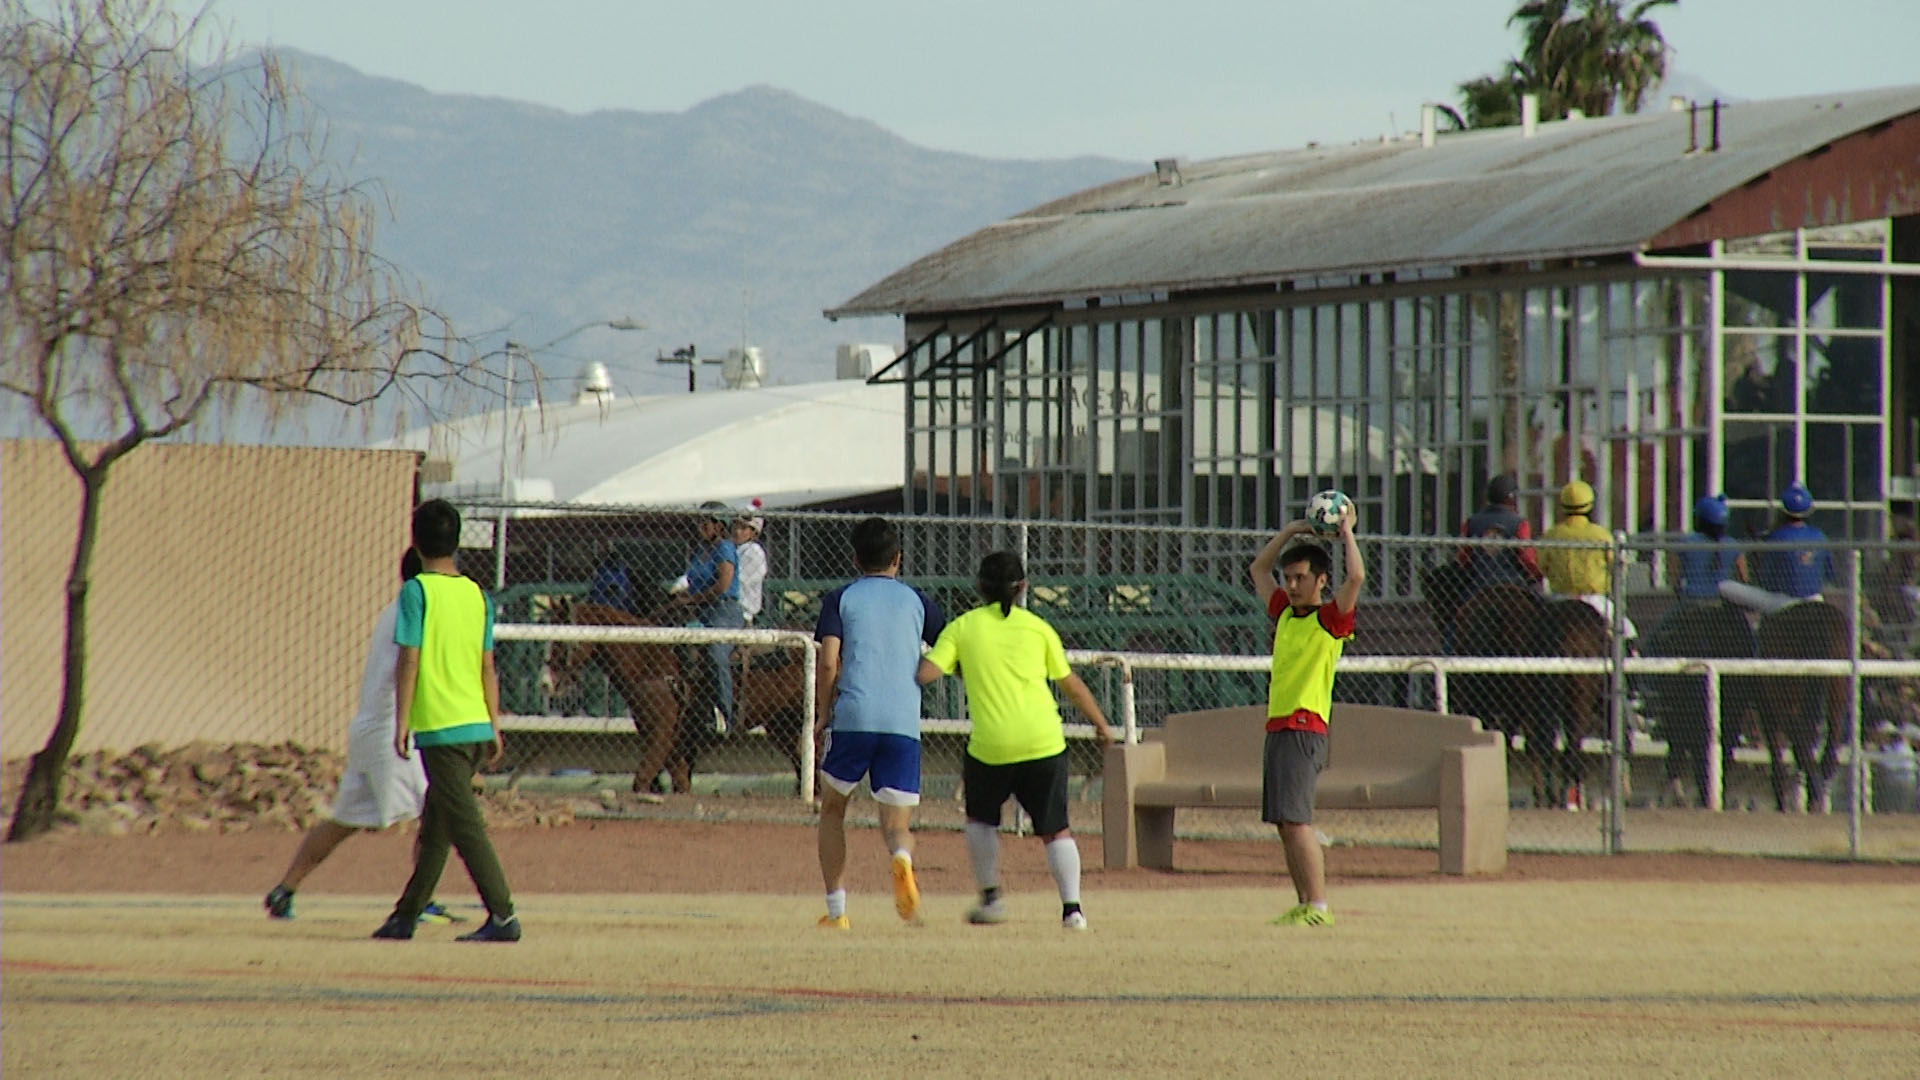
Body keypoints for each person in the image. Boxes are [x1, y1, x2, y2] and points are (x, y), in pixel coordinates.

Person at [916, 552, 1116, 931]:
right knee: (1056, 828)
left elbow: (926, 674)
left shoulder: (962, 628)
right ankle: (1072, 910)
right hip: (1044, 740)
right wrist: (1101, 725)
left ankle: (991, 899)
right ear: (1023, 587)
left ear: (979, 587)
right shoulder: (1038, 628)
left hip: (991, 746)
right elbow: (1069, 683)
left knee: (981, 821)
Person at [264, 550, 457, 926]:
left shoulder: (396, 609)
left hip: (369, 730)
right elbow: (413, 664)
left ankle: (284, 889)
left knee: (345, 820)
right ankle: (422, 900)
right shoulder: (415, 608)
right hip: (390, 729)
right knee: (438, 810)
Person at [373, 499, 520, 943]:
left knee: (463, 826)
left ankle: (503, 914)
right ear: (457, 541)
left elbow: (410, 657)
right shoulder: (477, 594)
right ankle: (406, 914)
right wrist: (494, 723)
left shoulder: (417, 591)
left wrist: (402, 721)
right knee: (437, 822)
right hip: (474, 724)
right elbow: (487, 665)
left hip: (442, 727)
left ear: (416, 543)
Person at [812, 517, 945, 929]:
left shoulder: (841, 598)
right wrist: (921, 675)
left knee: (833, 810)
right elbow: (950, 648)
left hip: (854, 716)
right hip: (902, 719)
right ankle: (901, 859)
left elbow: (829, 659)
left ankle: (837, 911)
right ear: (898, 559)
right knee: (897, 824)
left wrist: (822, 712)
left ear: (855, 558)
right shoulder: (919, 601)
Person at [1248, 505, 1363, 927]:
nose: (1292, 585)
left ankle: (1319, 905)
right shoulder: (1283, 614)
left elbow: (1357, 578)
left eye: (1301, 578)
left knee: (1297, 821)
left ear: (1320, 581)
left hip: (1304, 727)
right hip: (1278, 726)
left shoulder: (1330, 621)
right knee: (1283, 821)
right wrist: (1291, 530)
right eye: (1289, 578)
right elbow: (1258, 570)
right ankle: (1302, 901)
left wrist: (1346, 532)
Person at [672, 500, 744, 735]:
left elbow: (723, 585)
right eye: (699, 521)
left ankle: (726, 715)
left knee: (715, 653)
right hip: (701, 611)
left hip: (724, 612)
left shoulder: (725, 548)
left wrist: (693, 600)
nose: (700, 526)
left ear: (719, 525)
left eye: (706, 522)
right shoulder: (701, 551)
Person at [1720, 481, 1837, 615]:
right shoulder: (1820, 536)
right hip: (1814, 599)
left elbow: (1766, 580)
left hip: (1782, 602)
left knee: (1724, 587)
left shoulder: (1776, 537)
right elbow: (1829, 575)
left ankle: (1748, 631)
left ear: (1783, 510)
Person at [1540, 479, 1636, 640]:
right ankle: (1630, 656)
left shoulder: (1551, 535)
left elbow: (1541, 567)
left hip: (1560, 599)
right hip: (1595, 601)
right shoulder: (1601, 535)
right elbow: (1617, 565)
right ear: (1589, 504)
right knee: (1627, 631)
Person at [1456, 473, 1542, 592]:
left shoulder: (1471, 522)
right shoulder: (1520, 523)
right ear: (1512, 498)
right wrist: (1537, 574)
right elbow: (1527, 558)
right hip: (1513, 587)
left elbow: (1463, 558)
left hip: (1477, 588)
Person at [1672, 494, 1745, 603]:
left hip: (1692, 600)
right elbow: (1743, 577)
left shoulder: (1687, 541)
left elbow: (1675, 574)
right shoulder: (1733, 545)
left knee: (1667, 621)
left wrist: (1678, 589)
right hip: (1722, 601)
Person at [732, 513, 768, 626]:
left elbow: (737, 580)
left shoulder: (754, 551)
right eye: (736, 527)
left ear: (753, 533)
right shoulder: (733, 549)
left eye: (743, 528)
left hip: (742, 612)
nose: (737, 532)